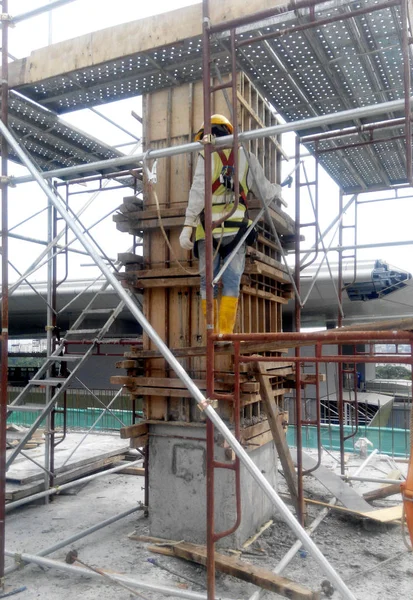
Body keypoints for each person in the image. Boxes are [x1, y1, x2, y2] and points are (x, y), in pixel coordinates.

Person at [179, 114, 282, 334]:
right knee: (231, 282)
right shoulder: (247, 157)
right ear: (229, 131)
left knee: (208, 283)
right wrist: (277, 189)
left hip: (207, 230)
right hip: (236, 231)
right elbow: (264, 191)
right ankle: (223, 333)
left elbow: (198, 191)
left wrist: (188, 224)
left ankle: (213, 332)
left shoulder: (206, 156)